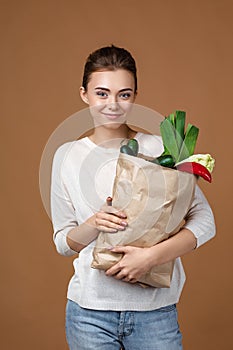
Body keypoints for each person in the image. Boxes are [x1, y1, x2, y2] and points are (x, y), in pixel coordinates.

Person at [50, 45, 216, 350]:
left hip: (156, 314)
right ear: (84, 94)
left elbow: (206, 222)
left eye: (124, 94)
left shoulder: (162, 149)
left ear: (135, 96)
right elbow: (63, 243)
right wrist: (94, 222)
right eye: (102, 93)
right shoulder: (67, 157)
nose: (112, 104)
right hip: (88, 315)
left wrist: (151, 258)